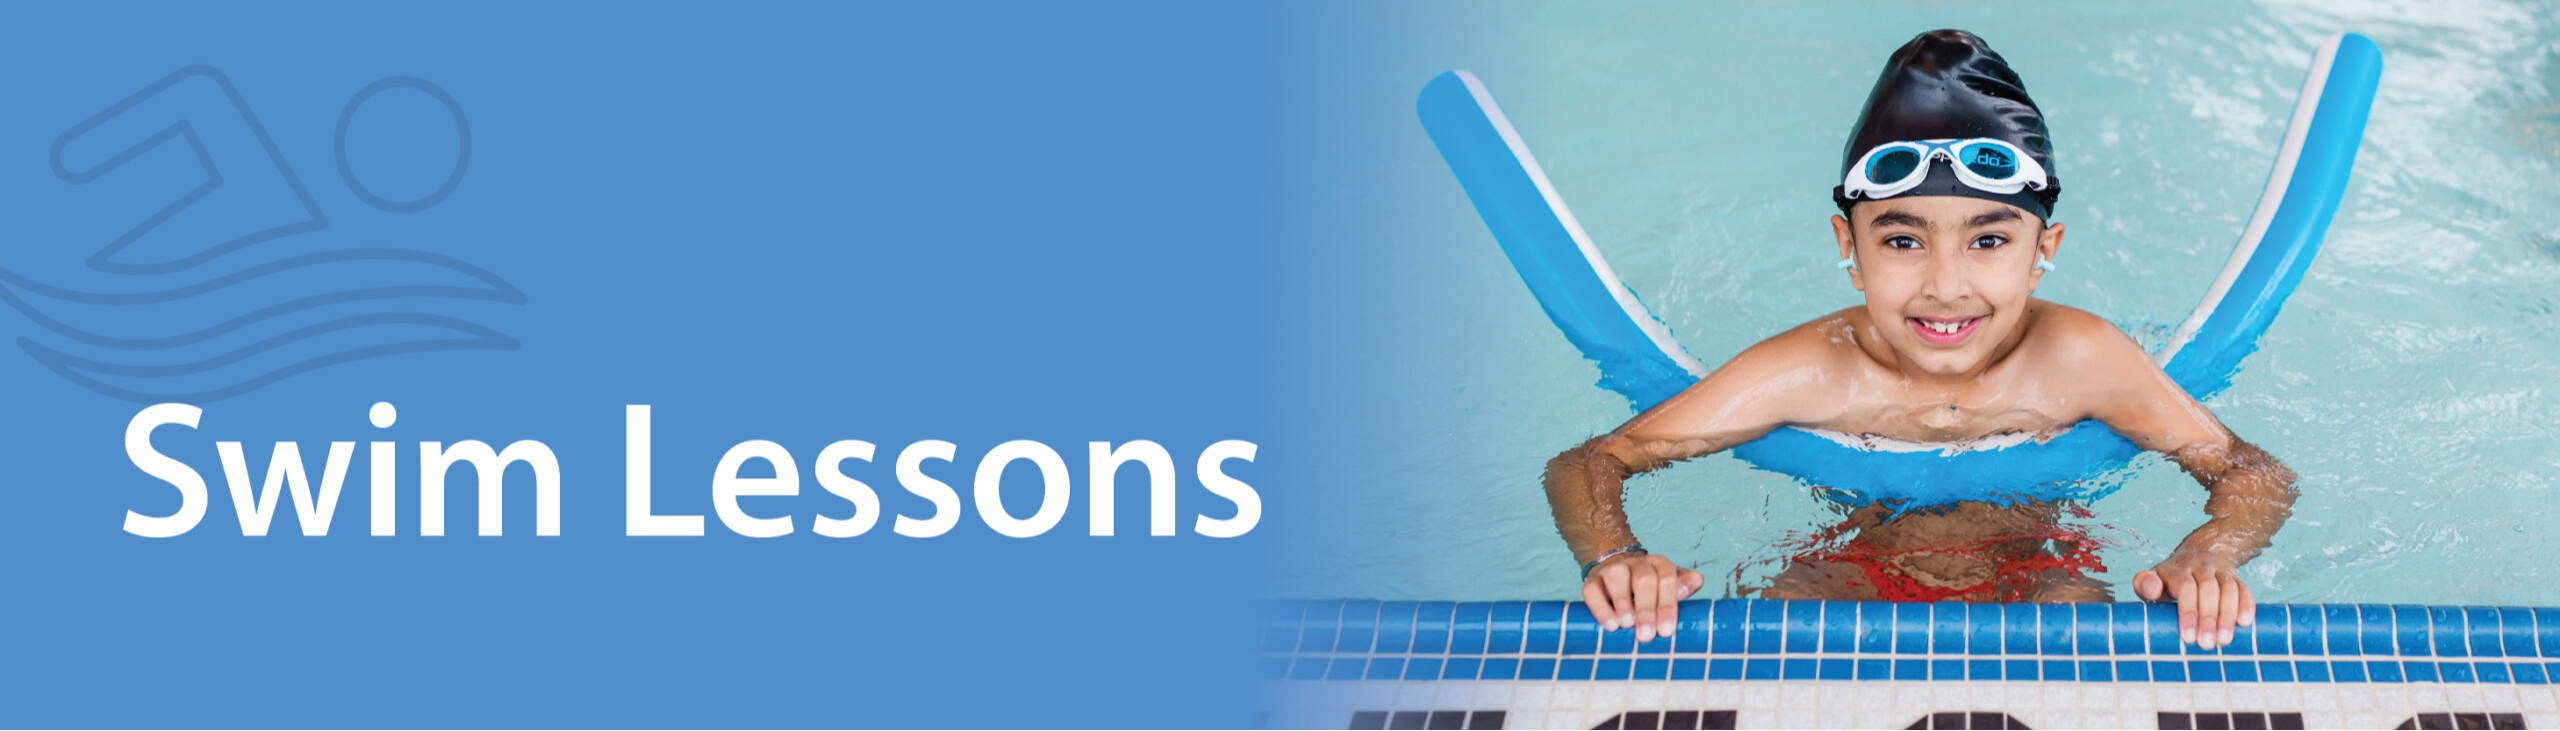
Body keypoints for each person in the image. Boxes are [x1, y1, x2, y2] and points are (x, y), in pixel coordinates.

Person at [1539, 29, 2297, 650]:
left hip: (2035, 562)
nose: (1944, 284)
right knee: (1778, 629)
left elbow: (2252, 470)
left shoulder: (2079, 360)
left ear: (2045, 250)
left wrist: (2209, 551)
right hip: (1854, 566)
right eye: (1902, 241)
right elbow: (1593, 461)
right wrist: (1617, 556)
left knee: (2079, 633)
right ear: (1850, 245)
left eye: (1988, 240)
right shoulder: (1813, 370)